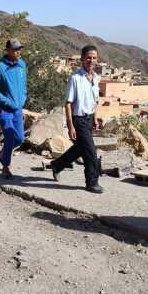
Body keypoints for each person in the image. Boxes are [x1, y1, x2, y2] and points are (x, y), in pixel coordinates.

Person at [50, 45, 104, 193]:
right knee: (91, 151)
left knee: (81, 148)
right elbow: (68, 103)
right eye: (88, 58)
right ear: (82, 59)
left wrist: (95, 118)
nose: (91, 60)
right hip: (78, 120)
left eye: (94, 58)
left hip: (89, 118)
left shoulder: (96, 78)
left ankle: (57, 165)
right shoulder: (75, 78)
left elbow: (95, 101)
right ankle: (92, 183)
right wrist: (70, 126)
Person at [0, 38, 28, 179]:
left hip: (18, 109)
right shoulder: (1, 67)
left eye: (19, 49)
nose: (18, 52)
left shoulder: (22, 64)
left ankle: (1, 154)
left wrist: (24, 97)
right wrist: (6, 100)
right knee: (10, 137)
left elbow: (24, 84)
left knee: (19, 139)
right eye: (15, 49)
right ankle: (6, 167)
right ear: (8, 50)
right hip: (5, 109)